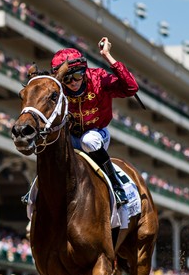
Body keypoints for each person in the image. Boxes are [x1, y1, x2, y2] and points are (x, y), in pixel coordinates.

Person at [50, 37, 139, 206]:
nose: (73, 82)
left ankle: (116, 185)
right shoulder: (58, 88)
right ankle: (35, 189)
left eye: (77, 76)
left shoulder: (99, 79)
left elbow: (131, 88)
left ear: (84, 71)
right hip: (70, 136)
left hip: (97, 134)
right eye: (67, 79)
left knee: (88, 141)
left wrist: (107, 56)